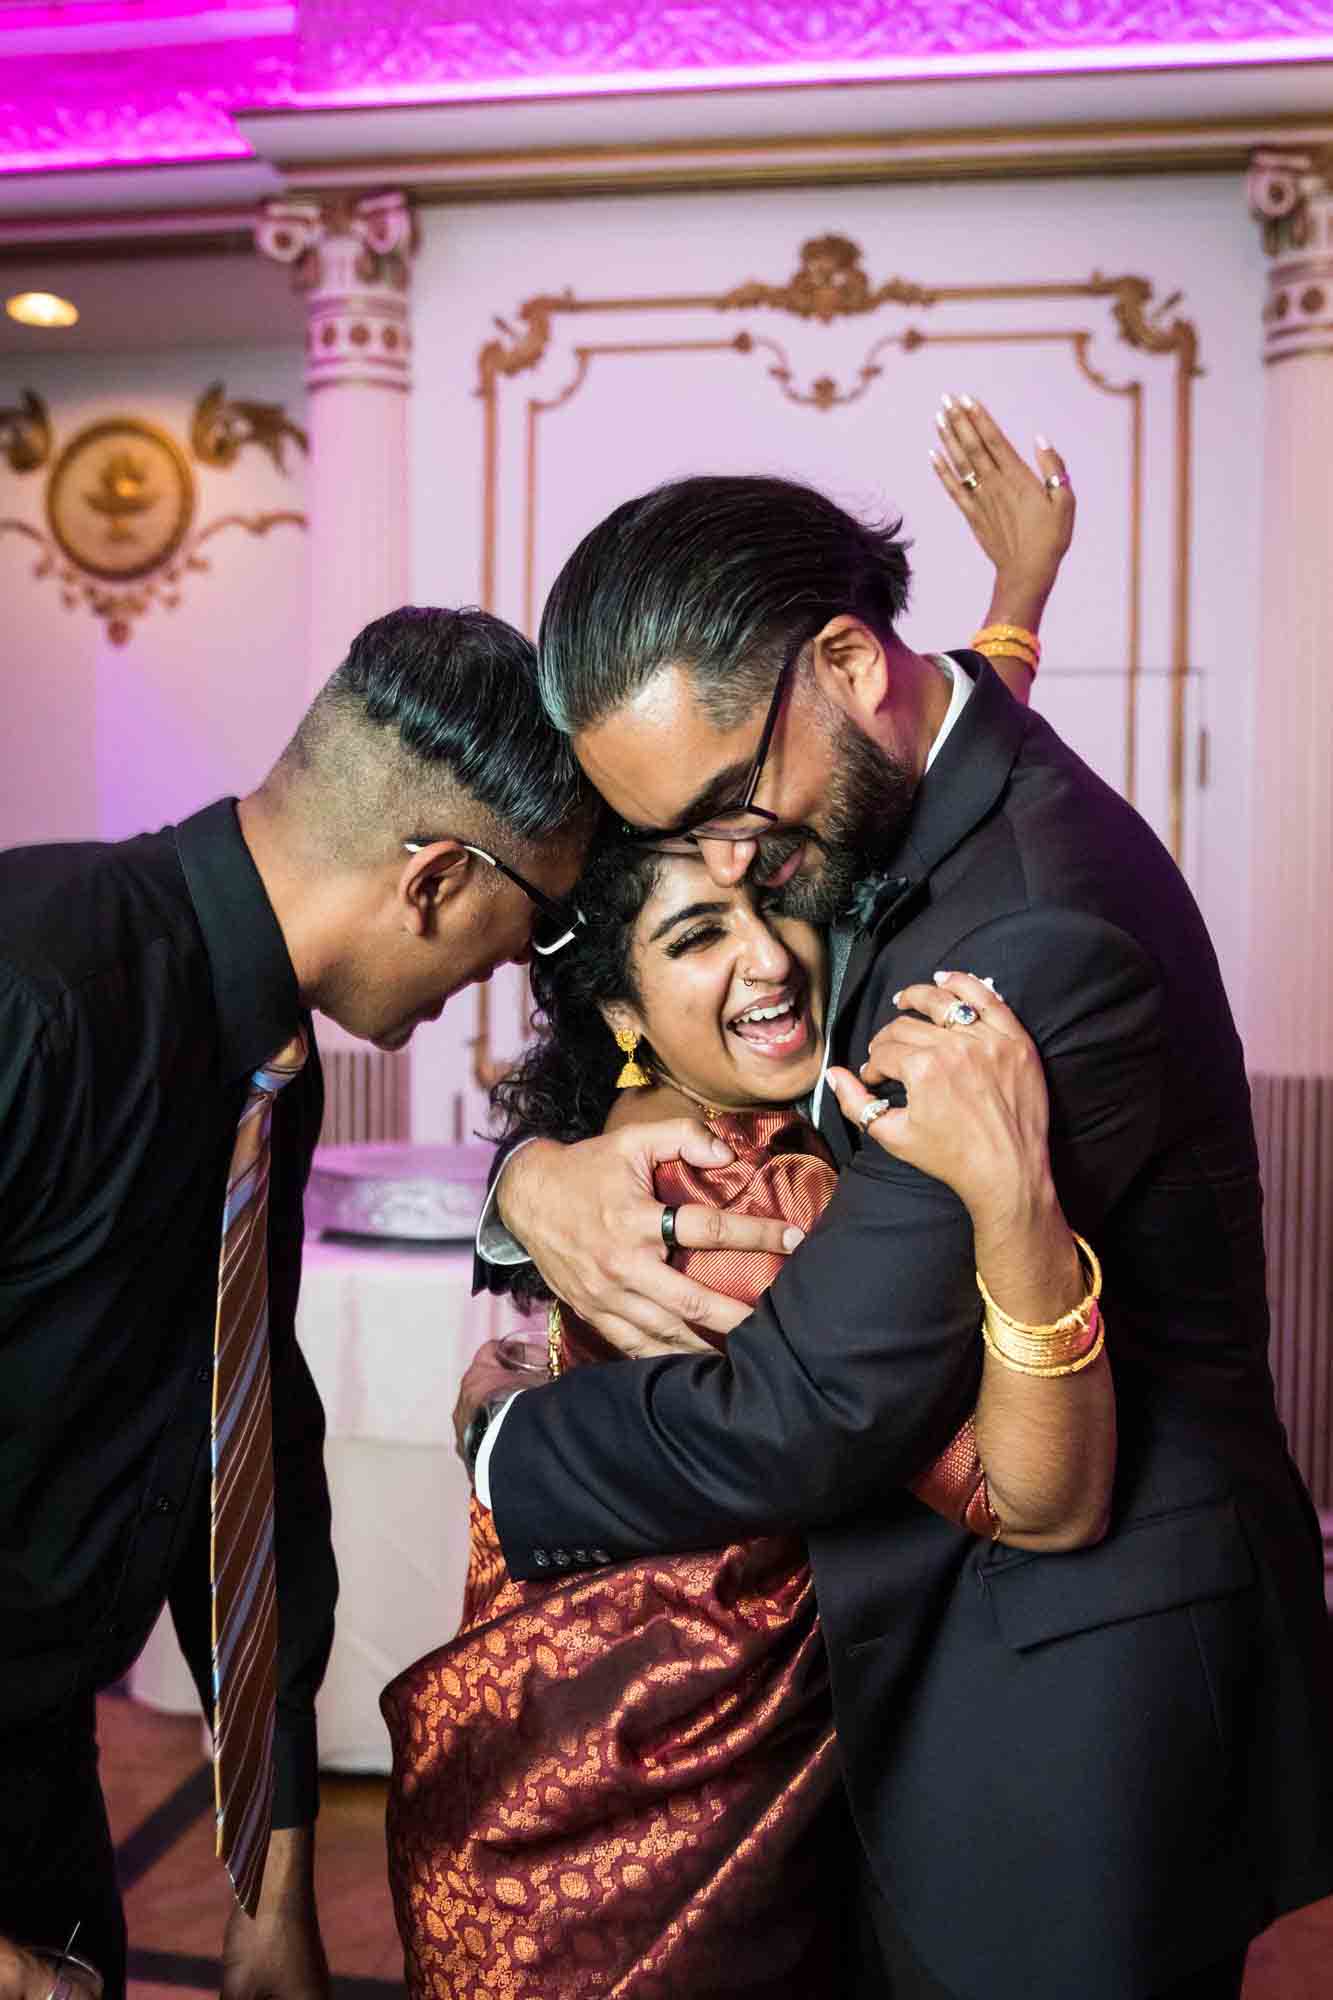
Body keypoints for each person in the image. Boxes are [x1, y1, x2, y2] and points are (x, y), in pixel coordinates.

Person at [462, 400, 1333, 1999]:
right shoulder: (902, 772)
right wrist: (523, 1172)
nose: (735, 870)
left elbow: (810, 1407)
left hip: (1075, 1674)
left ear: (851, 668)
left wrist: (504, 1443)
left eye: (725, 807)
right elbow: (972, 684)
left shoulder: (1029, 936)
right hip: (971, 1625)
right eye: (670, 839)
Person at [0, 607, 635, 2000]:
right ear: (436, 882)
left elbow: (241, 1444)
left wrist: (270, 1887)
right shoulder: (33, 996)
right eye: (531, 926)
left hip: (38, 1773)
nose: (508, 976)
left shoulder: (268, 1063)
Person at [384, 825, 1115, 1998]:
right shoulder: (751, 1195)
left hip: (538, 1787)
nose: (770, 958)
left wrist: (1008, 633)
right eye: (698, 934)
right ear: (621, 1007)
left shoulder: (608, 1155)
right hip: (651, 1840)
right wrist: (1008, 1188)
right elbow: (1032, 1493)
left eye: (776, 905)